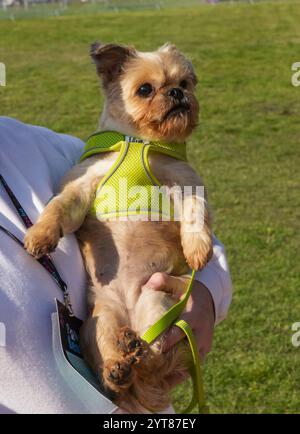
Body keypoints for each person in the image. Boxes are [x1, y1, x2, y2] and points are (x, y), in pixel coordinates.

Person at [0, 117, 232, 414]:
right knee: (102, 331)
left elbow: (197, 234)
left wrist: (207, 290)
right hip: (105, 318)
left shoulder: (61, 149)